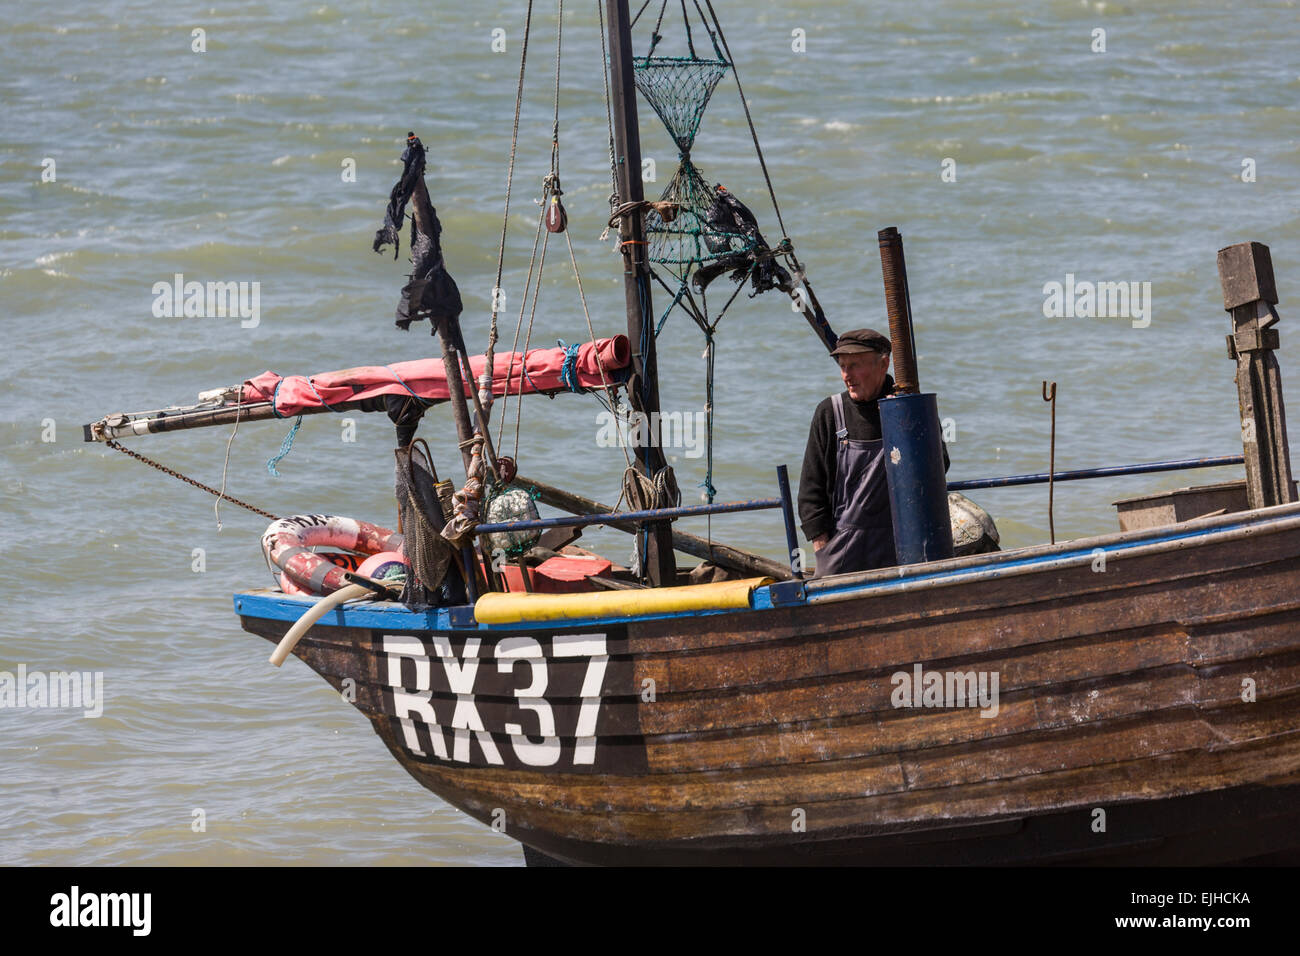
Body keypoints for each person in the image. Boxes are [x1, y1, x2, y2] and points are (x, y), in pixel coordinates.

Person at [798, 328, 900, 577]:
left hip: (899, 547)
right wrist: (823, 549)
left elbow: (938, 465)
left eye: (854, 365)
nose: (847, 375)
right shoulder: (830, 413)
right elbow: (811, 493)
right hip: (842, 550)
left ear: (883, 363)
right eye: (843, 366)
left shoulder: (906, 406)